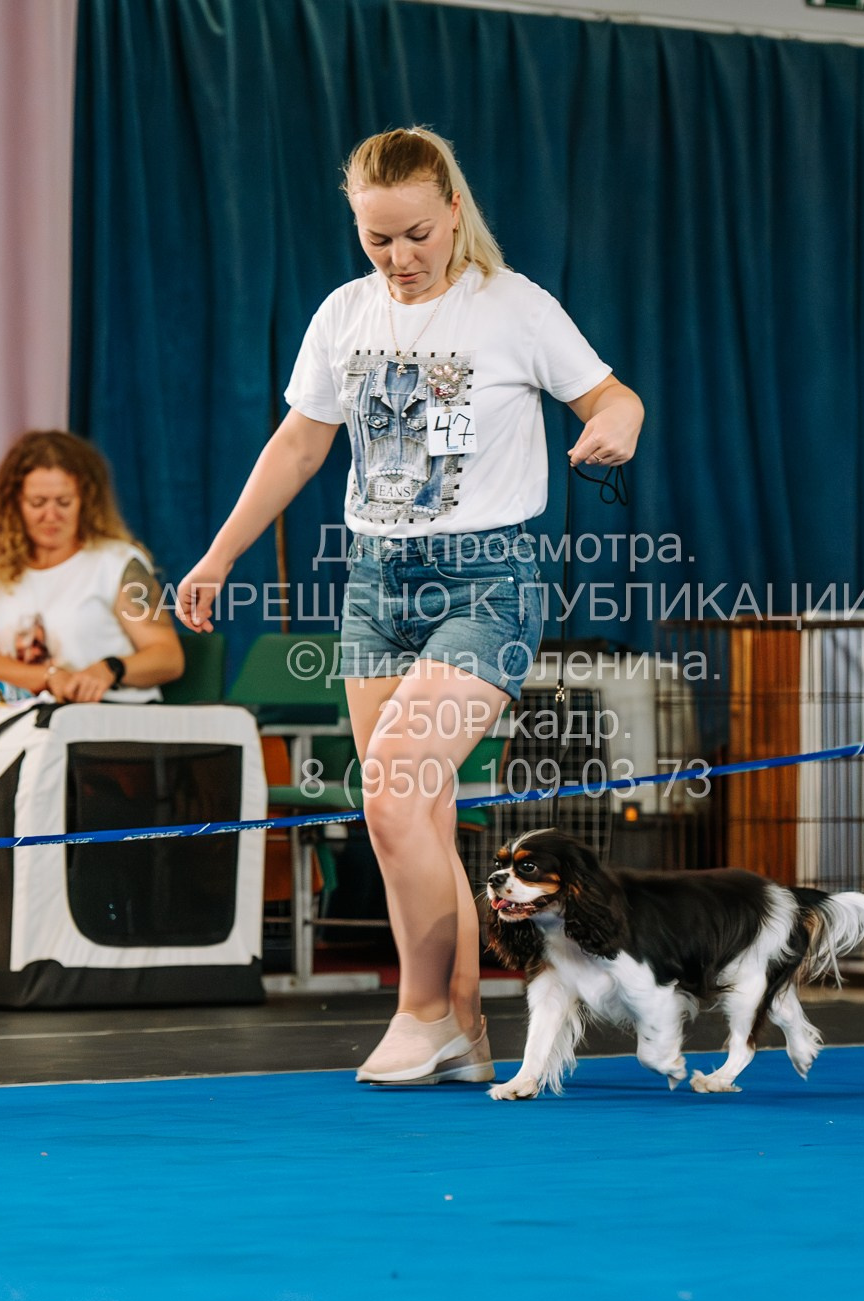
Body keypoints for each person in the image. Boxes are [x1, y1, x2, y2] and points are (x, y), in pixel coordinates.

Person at [175, 127, 644, 1085]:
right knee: (411, 815)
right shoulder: (344, 313)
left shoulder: (514, 306)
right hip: (375, 584)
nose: (398, 257)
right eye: (377, 238)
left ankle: (420, 1011)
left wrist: (616, 426)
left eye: (417, 235)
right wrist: (219, 555)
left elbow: (613, 397)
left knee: (389, 786)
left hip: (488, 582)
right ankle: (464, 1030)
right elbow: (299, 445)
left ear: (455, 212)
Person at [0, 430, 184, 702]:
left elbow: (168, 657)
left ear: (86, 501)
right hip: (21, 714)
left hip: (106, 713)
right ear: (15, 504)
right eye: (37, 503)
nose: (51, 515)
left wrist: (110, 669)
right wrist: (49, 676)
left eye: (64, 502)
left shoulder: (117, 563)